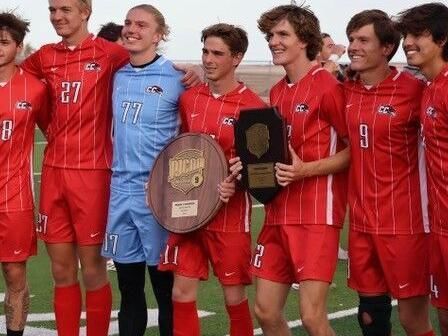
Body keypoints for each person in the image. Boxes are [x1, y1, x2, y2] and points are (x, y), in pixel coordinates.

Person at [21, 1, 201, 335]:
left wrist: (195, 70)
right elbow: (19, 82)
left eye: (66, 9)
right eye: (52, 9)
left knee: (126, 278)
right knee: (81, 275)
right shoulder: (45, 56)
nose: (58, 16)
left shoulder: (113, 57)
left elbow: (194, 123)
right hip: (77, 180)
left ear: (85, 11)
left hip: (114, 181)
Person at [245, 5, 349, 336]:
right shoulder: (277, 92)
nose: (273, 41)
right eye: (270, 36)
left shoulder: (329, 87)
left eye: (282, 35)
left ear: (304, 40)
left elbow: (355, 153)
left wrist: (306, 170)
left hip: (316, 214)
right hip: (278, 212)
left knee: (312, 317)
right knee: (265, 310)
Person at [158, 23, 266, 336]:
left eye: (217, 53)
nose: (208, 59)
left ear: (237, 58)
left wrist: (237, 180)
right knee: (181, 292)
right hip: (190, 212)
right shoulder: (190, 99)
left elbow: (259, 170)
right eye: (205, 51)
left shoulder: (253, 107)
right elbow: (181, 150)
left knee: (233, 296)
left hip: (230, 215)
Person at [344, 9, 433, 336]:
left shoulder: (415, 90)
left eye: (363, 40)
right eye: (351, 38)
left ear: (387, 48)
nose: (353, 46)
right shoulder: (347, 90)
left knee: (414, 322)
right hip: (362, 224)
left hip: (405, 224)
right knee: (370, 318)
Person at [100, 4, 184, 336]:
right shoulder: (116, 75)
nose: (132, 29)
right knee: (128, 289)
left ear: (159, 35)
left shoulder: (177, 77)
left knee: (166, 292)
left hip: (158, 195)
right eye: (129, 23)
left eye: (142, 25)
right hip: (120, 192)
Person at [397, 3, 448, 335]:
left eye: (418, 34)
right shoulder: (429, 89)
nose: (408, 41)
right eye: (406, 34)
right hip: (439, 226)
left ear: (443, 39)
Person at [0, 12, 48, 336]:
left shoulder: (35, 89)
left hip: (13, 196)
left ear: (18, 47)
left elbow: (59, 135)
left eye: (3, 42)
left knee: (15, 275)